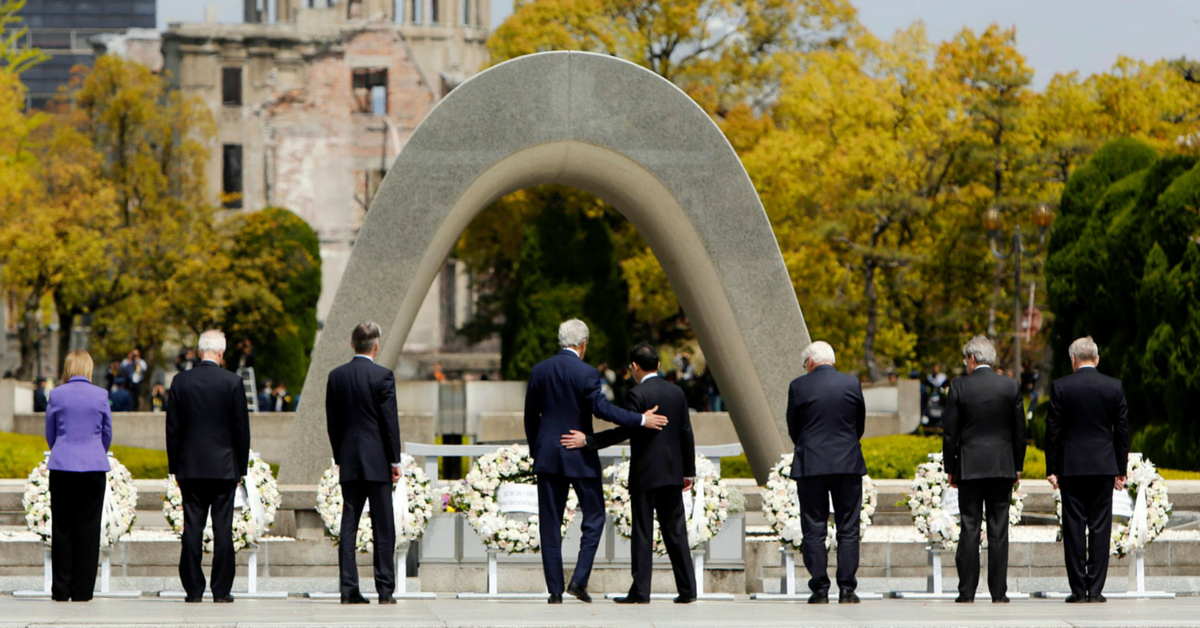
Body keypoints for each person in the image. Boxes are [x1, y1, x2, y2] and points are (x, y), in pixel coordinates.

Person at [523, 319, 668, 604]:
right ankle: (578, 578)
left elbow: (530, 416)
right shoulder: (587, 373)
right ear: (584, 344)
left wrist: (536, 450)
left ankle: (554, 590)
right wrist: (641, 419)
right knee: (595, 515)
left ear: (561, 341)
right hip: (579, 454)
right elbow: (602, 410)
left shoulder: (540, 371)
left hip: (548, 456)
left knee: (549, 524)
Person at [561, 342, 697, 604]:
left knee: (643, 532)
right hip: (671, 473)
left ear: (634, 367)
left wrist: (588, 441)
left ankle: (641, 591)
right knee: (676, 532)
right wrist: (688, 472)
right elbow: (686, 433)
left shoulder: (636, 394)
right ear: (658, 364)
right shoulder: (676, 392)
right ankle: (688, 590)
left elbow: (624, 430)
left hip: (645, 473)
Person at [165, 330, 251, 604]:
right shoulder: (233, 382)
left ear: (200, 351)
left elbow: (172, 429)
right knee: (223, 529)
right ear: (221, 353)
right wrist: (241, 468)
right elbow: (241, 429)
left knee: (193, 528)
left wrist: (175, 468)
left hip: (190, 467)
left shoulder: (180, 382)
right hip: (224, 467)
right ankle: (221, 589)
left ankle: (193, 589)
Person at [942, 336, 1026, 604]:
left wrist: (951, 468)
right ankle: (998, 592)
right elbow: (1019, 432)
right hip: (1002, 466)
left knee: (969, 527)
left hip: (969, 466)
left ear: (972, 359)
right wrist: (1018, 466)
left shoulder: (958, 387)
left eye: (965, 360)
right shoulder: (1010, 386)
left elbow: (949, 434)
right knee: (998, 529)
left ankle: (966, 591)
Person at [1046, 337, 1130, 604]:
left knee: (1073, 527)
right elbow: (1122, 431)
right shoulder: (1113, 386)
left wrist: (1052, 467)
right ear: (1097, 358)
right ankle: (1095, 589)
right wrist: (1121, 468)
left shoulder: (1061, 386)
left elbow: (1053, 431)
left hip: (1071, 467)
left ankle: (1077, 589)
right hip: (1104, 466)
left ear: (1073, 359)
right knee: (1100, 527)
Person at [326, 321, 402, 605]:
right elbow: (389, 423)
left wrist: (339, 457)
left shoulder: (336, 376)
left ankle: (348, 589)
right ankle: (385, 590)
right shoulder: (383, 376)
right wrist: (395, 460)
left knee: (349, 525)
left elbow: (332, 423)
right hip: (377, 461)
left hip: (349, 459)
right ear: (376, 345)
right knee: (383, 527)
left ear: (351, 344)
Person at [786, 341, 866, 604]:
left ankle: (819, 588)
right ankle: (847, 588)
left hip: (812, 465)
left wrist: (809, 446)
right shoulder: (852, 384)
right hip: (847, 463)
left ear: (810, 360)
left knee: (813, 528)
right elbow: (859, 424)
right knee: (848, 528)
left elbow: (793, 428)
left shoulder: (799, 386)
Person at [44, 350, 112, 602]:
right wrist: (94, 451)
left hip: (62, 465)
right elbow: (107, 433)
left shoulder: (57, 394)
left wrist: (63, 449)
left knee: (62, 527)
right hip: (93, 467)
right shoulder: (101, 395)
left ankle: (61, 589)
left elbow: (50, 433)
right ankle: (83, 590)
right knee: (88, 528)